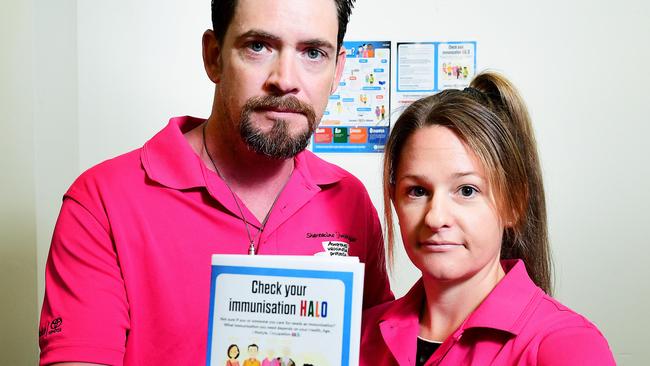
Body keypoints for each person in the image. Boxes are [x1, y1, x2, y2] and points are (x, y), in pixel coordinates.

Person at [38, 0, 393, 365]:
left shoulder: (348, 198)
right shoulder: (102, 201)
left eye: (314, 53)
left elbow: (381, 346)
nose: (286, 79)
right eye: (258, 46)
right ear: (214, 57)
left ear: (337, 72)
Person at [359, 72, 615, 365]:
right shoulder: (361, 334)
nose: (436, 217)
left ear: (514, 204)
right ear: (394, 199)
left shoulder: (565, 345)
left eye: (467, 190)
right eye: (417, 191)